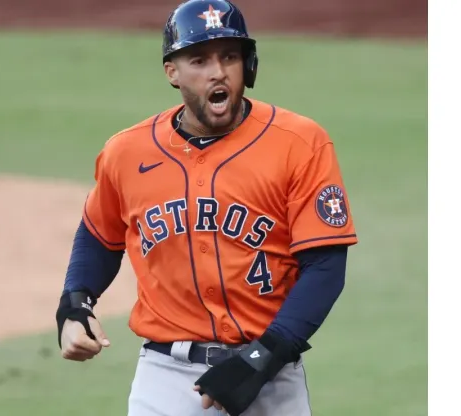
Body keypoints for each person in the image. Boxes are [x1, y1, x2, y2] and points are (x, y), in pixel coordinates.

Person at [54, 0, 358, 415]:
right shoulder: (127, 152)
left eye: (229, 57)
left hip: (272, 372)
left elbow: (325, 267)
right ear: (172, 72)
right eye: (199, 59)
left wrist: (261, 360)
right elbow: (98, 234)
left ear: (247, 67)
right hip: (165, 378)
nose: (218, 72)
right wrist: (75, 303)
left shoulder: (300, 144)